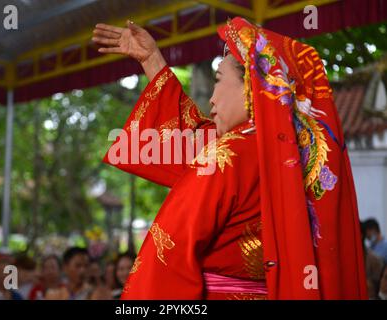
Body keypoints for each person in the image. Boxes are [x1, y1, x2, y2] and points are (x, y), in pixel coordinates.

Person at [93, 16, 367, 299]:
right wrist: (152, 60)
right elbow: (192, 140)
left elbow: (168, 250)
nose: (211, 98)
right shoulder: (297, 151)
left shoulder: (230, 152)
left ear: (252, 87)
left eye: (219, 80)